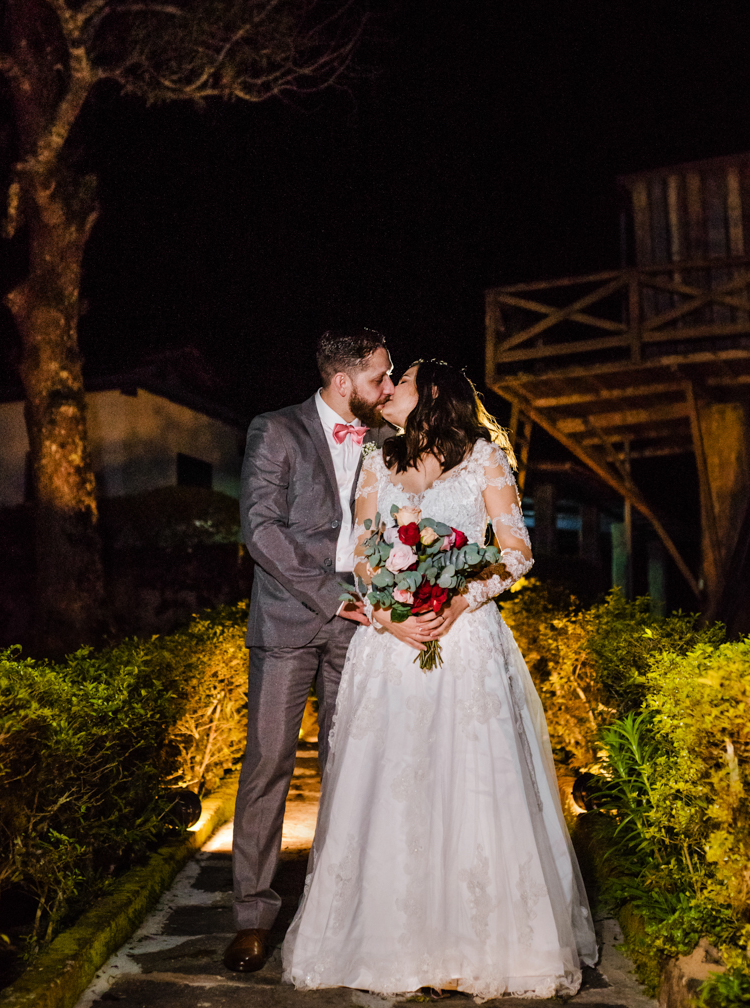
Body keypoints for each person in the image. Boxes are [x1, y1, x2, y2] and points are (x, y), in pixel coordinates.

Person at [283, 360, 598, 1000]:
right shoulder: (376, 461)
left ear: (430, 396)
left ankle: (473, 947)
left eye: (401, 380)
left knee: (473, 784)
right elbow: (368, 560)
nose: (389, 387)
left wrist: (460, 600)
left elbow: (515, 553)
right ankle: (396, 946)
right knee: (397, 785)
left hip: (466, 641)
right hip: (394, 645)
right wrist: (393, 616)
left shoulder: (484, 459)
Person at [223, 328, 395, 974]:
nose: (386, 388)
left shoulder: (383, 440)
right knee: (268, 764)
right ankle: (252, 918)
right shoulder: (275, 431)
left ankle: (336, 911)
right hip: (289, 622)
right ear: (342, 381)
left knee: (348, 767)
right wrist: (328, 594)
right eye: (379, 377)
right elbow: (260, 531)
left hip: (361, 626)